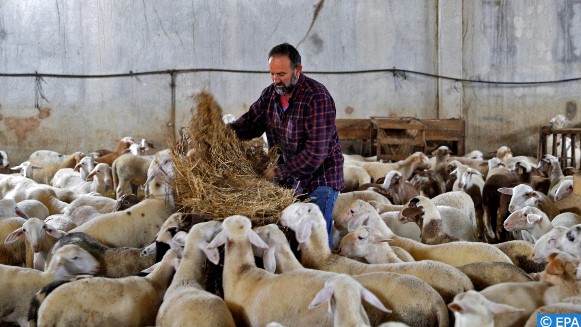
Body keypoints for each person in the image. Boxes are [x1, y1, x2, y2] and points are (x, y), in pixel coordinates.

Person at [229, 43, 344, 247]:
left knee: (314, 241)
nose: (275, 79)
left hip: (320, 178)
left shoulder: (316, 98)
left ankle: (321, 273)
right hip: (291, 178)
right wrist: (224, 132)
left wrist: (278, 172)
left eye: (281, 74)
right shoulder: (270, 95)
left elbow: (316, 153)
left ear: (297, 70)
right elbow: (251, 123)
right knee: (290, 235)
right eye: (272, 74)